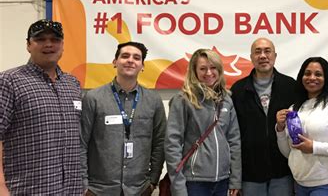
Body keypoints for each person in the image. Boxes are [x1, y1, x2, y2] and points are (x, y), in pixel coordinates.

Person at [0, 19, 82, 194]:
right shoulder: (9, 81)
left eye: (55, 39)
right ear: (29, 45)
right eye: (41, 39)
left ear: (63, 45)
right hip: (29, 189)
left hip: (71, 189)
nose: (49, 44)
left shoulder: (72, 83)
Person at [80, 41, 166, 195]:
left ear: (142, 65)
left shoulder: (153, 100)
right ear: (115, 62)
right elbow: (81, 143)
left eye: (136, 58)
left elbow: (160, 142)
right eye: (125, 56)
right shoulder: (93, 98)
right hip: (99, 190)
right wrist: (84, 185)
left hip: (139, 189)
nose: (130, 60)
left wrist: (153, 181)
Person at [276, 57, 328, 196]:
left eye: (318, 74)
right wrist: (279, 129)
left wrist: (314, 147)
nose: (312, 78)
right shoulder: (295, 108)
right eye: (307, 73)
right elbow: (289, 153)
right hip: (300, 184)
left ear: (327, 77)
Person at [165, 49, 241, 196]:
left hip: (222, 181)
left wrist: (235, 179)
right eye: (202, 68)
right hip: (194, 181)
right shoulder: (183, 100)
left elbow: (234, 141)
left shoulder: (227, 100)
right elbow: (172, 144)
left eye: (213, 68)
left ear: (219, 70)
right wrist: (178, 186)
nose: (208, 73)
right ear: (194, 71)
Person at [231, 38, 296, 196]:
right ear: (251, 57)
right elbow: (233, 136)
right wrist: (235, 177)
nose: (262, 55)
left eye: (267, 51)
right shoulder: (238, 90)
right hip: (250, 173)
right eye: (257, 51)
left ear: (275, 55)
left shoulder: (290, 86)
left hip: (283, 171)